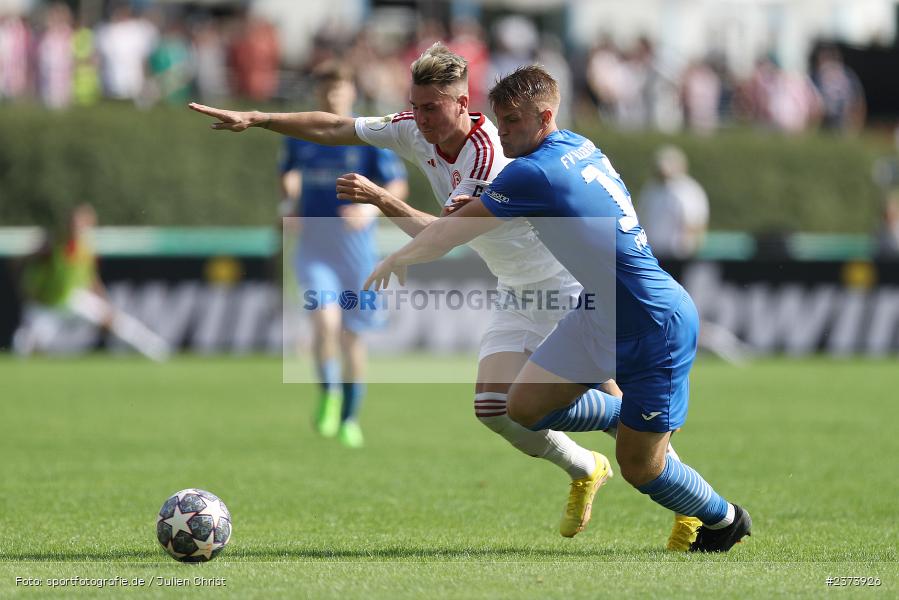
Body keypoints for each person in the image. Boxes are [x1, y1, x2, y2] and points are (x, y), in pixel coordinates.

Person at [188, 44, 692, 546]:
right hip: (515, 288)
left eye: (432, 108)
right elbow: (335, 126)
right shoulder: (412, 126)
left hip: (562, 287)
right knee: (493, 409)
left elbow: (443, 236)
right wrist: (257, 118)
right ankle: (585, 468)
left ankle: (687, 506)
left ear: (461, 103)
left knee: (620, 411)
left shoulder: (490, 156)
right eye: (416, 105)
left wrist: (382, 201)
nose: (421, 119)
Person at [365, 65, 751, 552]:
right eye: (498, 120)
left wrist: (397, 255)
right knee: (519, 408)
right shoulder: (576, 145)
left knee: (640, 468)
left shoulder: (533, 172)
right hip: (596, 310)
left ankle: (725, 518)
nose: (499, 132)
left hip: (652, 320)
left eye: (509, 122)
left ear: (544, 116)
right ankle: (624, 418)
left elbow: (452, 233)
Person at [281, 61, 409, 448]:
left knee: (354, 337)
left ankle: (351, 417)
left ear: (351, 92)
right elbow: (288, 173)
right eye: (326, 90)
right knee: (325, 322)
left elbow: (397, 184)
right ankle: (330, 394)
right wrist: (288, 202)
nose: (333, 96)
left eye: (340, 89)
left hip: (356, 253)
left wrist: (370, 208)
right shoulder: (301, 134)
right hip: (315, 248)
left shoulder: (367, 133)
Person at [13, 204, 170, 362]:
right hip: (47, 304)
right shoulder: (53, 244)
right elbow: (22, 262)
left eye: (83, 224)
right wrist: (28, 291)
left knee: (113, 319)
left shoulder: (86, 247)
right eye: (74, 223)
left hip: (73, 298)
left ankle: (155, 348)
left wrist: (103, 301)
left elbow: (90, 277)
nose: (78, 228)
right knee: (25, 344)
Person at [636, 145, 709, 260]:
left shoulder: (688, 189)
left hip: (678, 254)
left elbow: (695, 223)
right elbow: (641, 217)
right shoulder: (650, 188)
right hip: (652, 252)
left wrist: (688, 246)